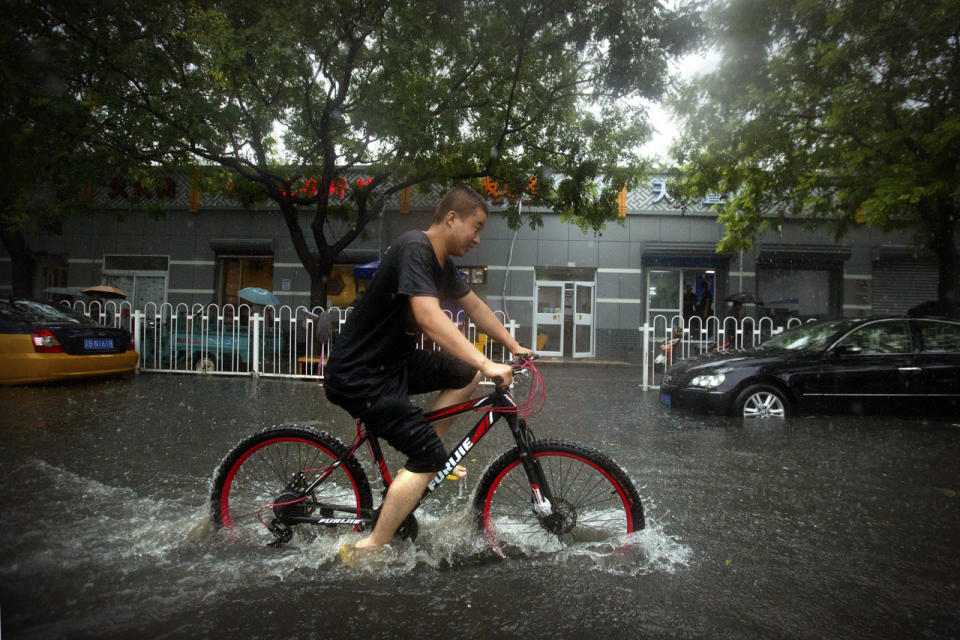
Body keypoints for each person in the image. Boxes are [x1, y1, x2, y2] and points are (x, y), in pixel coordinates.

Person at [324, 185, 530, 558]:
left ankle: (419, 465)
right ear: (451, 219)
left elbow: (476, 308)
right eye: (476, 227)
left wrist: (514, 347)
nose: (478, 239)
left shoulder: (441, 263)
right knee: (430, 453)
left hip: (392, 364)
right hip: (361, 373)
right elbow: (429, 317)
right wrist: (487, 362)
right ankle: (368, 548)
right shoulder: (414, 249)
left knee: (464, 372)